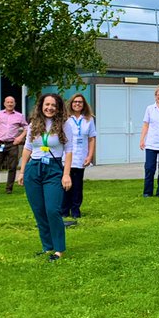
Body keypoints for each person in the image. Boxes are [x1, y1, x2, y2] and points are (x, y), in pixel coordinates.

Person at [17, 93, 73, 262]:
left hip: (53, 169)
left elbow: (69, 150)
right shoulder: (34, 124)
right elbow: (27, 148)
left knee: (52, 210)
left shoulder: (64, 124)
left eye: (53, 105)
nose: (50, 108)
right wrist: (22, 171)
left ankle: (59, 249)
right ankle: (47, 246)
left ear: (58, 108)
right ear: (41, 105)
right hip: (34, 169)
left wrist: (66, 174)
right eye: (47, 104)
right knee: (39, 211)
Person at [61, 92, 97, 227]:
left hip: (81, 156)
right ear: (71, 103)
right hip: (66, 156)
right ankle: (64, 210)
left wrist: (90, 155)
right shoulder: (65, 118)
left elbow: (92, 138)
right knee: (65, 184)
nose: (77, 104)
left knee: (77, 185)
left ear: (84, 105)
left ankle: (75, 209)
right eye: (75, 102)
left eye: (80, 102)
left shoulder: (89, 119)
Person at [0, 96, 28, 195]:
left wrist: (20, 137)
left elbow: (27, 128)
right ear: (4, 103)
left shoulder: (20, 116)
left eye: (12, 102)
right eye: (8, 102)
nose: (10, 104)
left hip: (12, 144)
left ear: (14, 104)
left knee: (12, 167)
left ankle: (9, 189)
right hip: (0, 143)